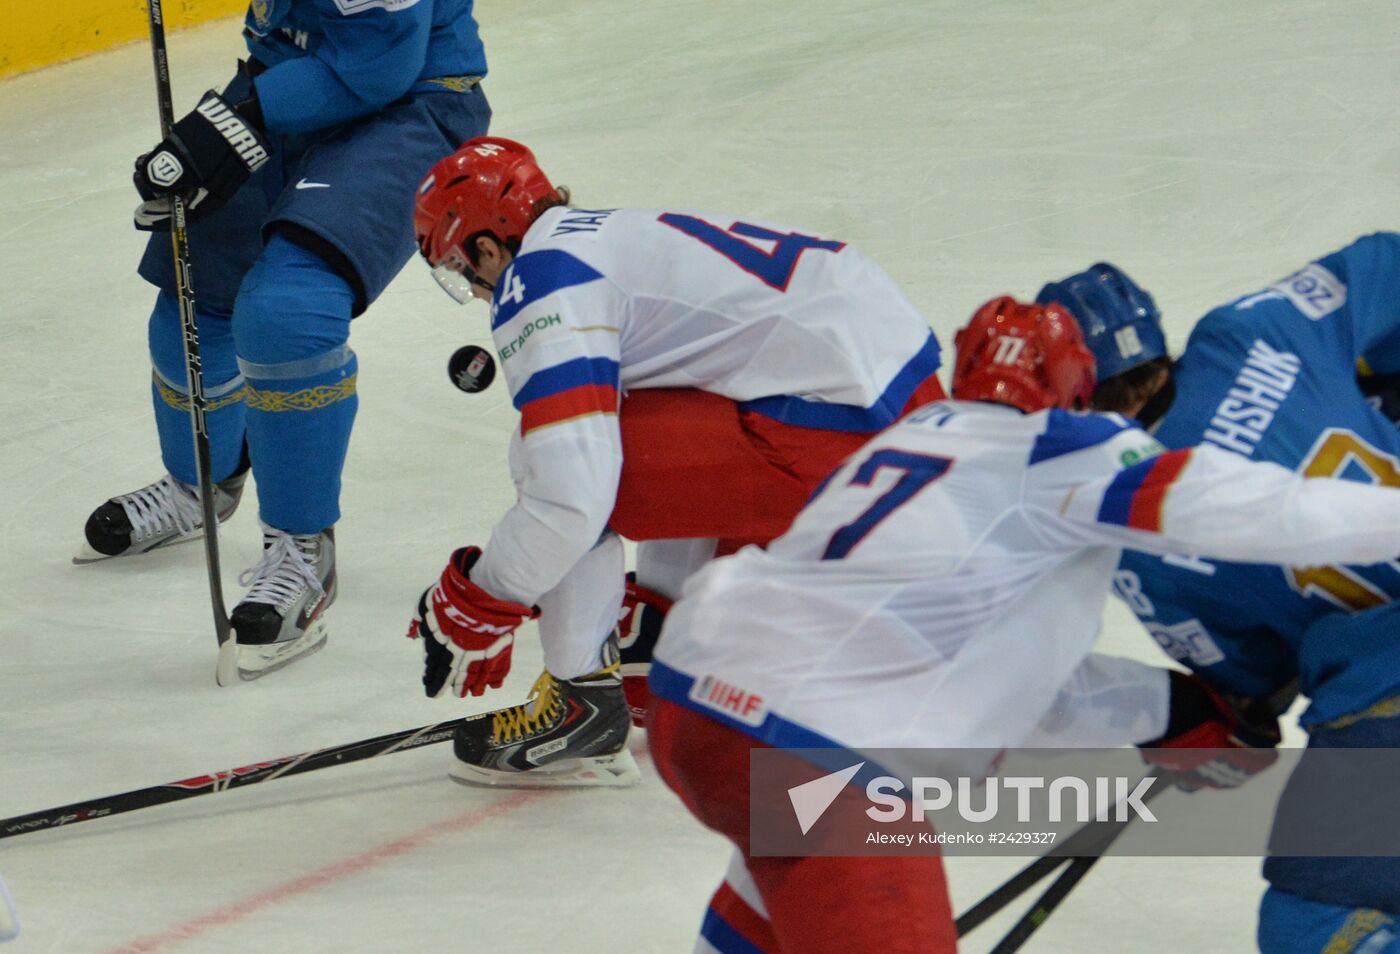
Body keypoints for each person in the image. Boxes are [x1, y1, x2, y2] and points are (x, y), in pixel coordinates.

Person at [644, 295, 1400, 953]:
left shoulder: (910, 444)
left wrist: (1173, 712)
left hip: (700, 716)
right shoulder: (1065, 447)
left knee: (779, 888)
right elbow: (1256, 509)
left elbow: (1009, 685)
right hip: (815, 754)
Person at [408, 137, 947, 787]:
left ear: (487, 248)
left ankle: (581, 708)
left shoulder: (538, 281)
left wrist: (482, 596)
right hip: (902, 419)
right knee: (624, 425)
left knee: (551, 453)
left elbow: (572, 495)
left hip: (846, 448)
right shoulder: (603, 234)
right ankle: (670, 628)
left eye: (462, 269)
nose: (474, 292)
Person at [75, 1, 492, 679]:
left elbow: (378, 66)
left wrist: (237, 119)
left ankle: (303, 550)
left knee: (286, 309)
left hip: (402, 105)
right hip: (282, 78)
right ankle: (199, 486)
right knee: (192, 295)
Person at [1041, 239, 1400, 952]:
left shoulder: (1128, 533)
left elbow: (1253, 688)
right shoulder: (1252, 331)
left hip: (1385, 680)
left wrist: (1213, 727)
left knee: (1316, 924)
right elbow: (1385, 263)